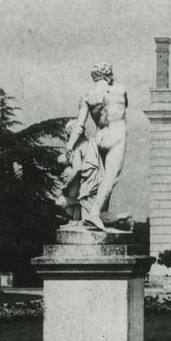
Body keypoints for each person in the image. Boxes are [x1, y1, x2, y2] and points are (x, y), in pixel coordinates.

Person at [61, 62, 128, 231]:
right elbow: (123, 106)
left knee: (101, 178)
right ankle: (95, 213)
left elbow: (79, 126)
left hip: (99, 137)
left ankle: (98, 213)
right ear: (109, 75)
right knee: (111, 177)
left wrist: (69, 146)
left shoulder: (87, 96)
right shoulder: (120, 90)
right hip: (116, 136)